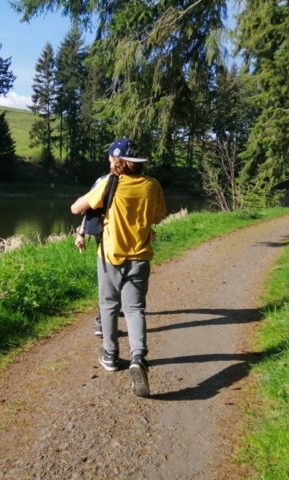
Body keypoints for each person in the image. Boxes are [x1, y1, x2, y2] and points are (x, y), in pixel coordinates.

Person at [71, 137, 166, 397]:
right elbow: (156, 217)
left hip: (110, 256)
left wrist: (91, 197)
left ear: (118, 161)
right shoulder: (153, 185)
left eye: (112, 159)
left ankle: (111, 356)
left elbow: (76, 208)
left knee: (109, 306)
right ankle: (138, 358)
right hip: (140, 257)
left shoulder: (108, 183)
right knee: (135, 309)